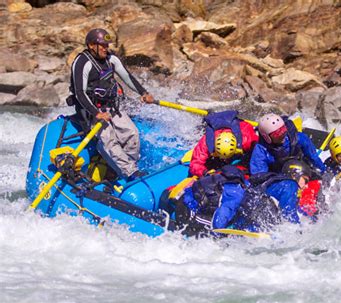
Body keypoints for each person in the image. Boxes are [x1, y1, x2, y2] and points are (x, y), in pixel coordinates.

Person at [67, 28, 154, 181]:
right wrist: (96, 113)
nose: (106, 49)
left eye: (107, 45)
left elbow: (127, 77)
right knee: (109, 139)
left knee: (132, 133)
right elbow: (80, 93)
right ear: (92, 45)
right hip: (90, 110)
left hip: (112, 106)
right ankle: (130, 173)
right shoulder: (82, 62)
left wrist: (143, 93)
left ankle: (126, 167)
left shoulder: (111, 58)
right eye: (103, 46)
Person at [175, 165, 248, 238]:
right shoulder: (235, 193)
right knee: (215, 229)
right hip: (188, 210)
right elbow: (223, 214)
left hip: (186, 203)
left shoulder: (234, 184)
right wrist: (219, 234)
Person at [249, 113, 326, 176]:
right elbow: (260, 176)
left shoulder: (298, 138)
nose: (282, 135)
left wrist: (324, 173)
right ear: (267, 137)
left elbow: (313, 158)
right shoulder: (261, 151)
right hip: (277, 177)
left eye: (283, 131)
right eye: (277, 134)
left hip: (301, 170)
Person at [189, 110, 259, 178]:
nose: (225, 160)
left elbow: (260, 149)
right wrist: (205, 172)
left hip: (239, 127)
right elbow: (195, 163)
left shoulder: (247, 138)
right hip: (215, 129)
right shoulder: (206, 142)